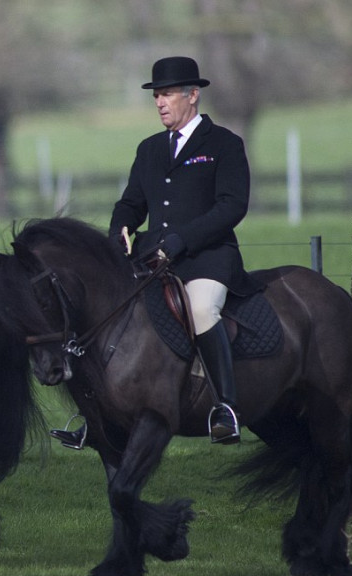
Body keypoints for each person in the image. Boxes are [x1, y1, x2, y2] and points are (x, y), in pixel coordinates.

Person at [52, 57, 261, 446]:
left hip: (206, 258)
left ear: (193, 95)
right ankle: (96, 415)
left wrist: (184, 239)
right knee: (113, 313)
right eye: (156, 96)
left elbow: (232, 206)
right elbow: (131, 202)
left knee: (201, 310)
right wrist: (120, 230)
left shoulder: (224, 145)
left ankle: (225, 408)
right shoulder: (149, 149)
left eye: (166, 94)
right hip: (152, 259)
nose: (160, 103)